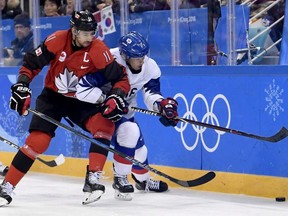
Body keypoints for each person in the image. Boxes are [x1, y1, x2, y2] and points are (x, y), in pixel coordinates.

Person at [0, 10, 130, 207]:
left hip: (81, 99)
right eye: (85, 33)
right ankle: (6, 186)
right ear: (74, 30)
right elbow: (31, 63)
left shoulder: (97, 49)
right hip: (53, 97)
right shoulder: (57, 40)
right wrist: (22, 85)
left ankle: (93, 178)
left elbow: (120, 78)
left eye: (92, 33)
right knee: (38, 141)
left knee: (104, 125)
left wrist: (116, 96)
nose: (89, 37)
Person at [76, 31, 179, 201]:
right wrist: (106, 100)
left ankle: (143, 181)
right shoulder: (108, 60)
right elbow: (83, 88)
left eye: (143, 56)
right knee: (130, 132)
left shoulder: (150, 66)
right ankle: (120, 179)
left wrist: (161, 104)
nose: (142, 60)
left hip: (125, 112)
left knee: (139, 151)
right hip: (101, 112)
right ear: (124, 55)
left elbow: (151, 93)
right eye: (136, 57)